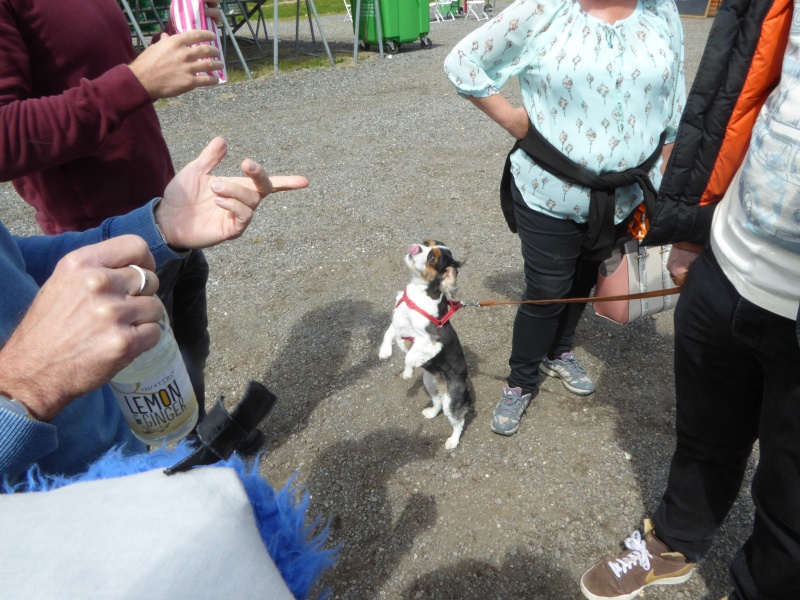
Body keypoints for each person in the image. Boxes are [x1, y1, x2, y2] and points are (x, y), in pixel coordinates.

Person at [578, 0, 799, 597]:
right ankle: (673, 542)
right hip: (729, 257)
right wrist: (695, 226)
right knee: (704, 438)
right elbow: (737, 91)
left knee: (791, 499)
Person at [0, 137, 309, 483]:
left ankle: (192, 435)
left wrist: (159, 227)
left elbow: (13, 260)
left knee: (187, 347)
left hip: (122, 447)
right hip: (55, 509)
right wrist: (23, 388)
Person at [444, 0, 685, 435]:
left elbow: (674, 97)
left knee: (584, 280)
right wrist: (517, 121)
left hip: (626, 196)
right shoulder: (544, 9)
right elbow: (462, 62)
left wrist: (667, 174)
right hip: (550, 192)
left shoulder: (661, 9)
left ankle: (560, 352)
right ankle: (521, 380)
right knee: (547, 290)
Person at [0, 0, 224, 425]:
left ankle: (197, 448)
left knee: (190, 351)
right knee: (144, 403)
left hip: (164, 213)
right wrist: (138, 81)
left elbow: (101, 77)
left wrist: (174, 44)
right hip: (98, 239)